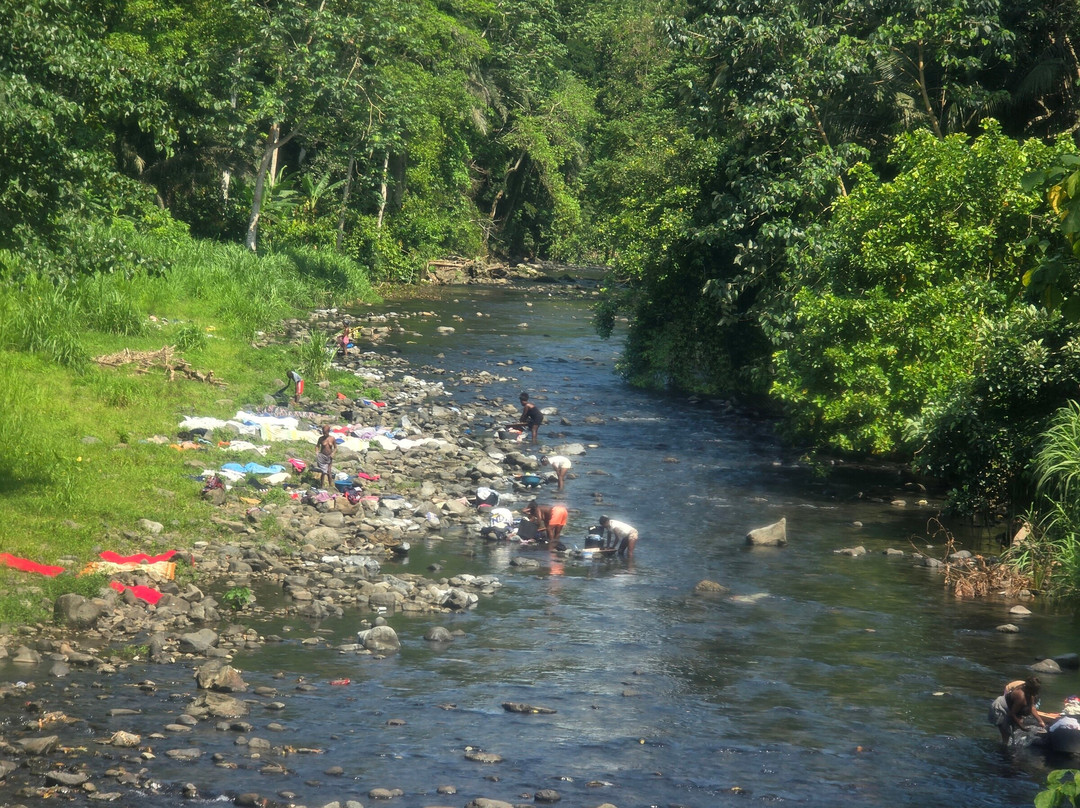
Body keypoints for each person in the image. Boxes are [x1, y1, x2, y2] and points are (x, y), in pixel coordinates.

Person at [989, 678, 1047, 742]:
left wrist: (1040, 721)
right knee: (1006, 734)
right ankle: (1004, 748)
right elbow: (1013, 713)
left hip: (1009, 708)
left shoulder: (1030, 693)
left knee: (1012, 732)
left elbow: (1032, 707)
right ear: (1031, 688)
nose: (1037, 692)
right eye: (1036, 690)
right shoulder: (1020, 696)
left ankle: (1009, 744)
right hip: (1000, 708)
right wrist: (1021, 726)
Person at [315, 425, 336, 491]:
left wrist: (333, 453)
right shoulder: (321, 439)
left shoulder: (332, 438)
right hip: (322, 456)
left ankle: (330, 486)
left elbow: (335, 447)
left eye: (326, 432)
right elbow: (317, 446)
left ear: (328, 432)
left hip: (329, 456)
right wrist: (317, 452)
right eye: (324, 432)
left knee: (329, 472)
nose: (324, 434)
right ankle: (322, 485)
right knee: (323, 472)